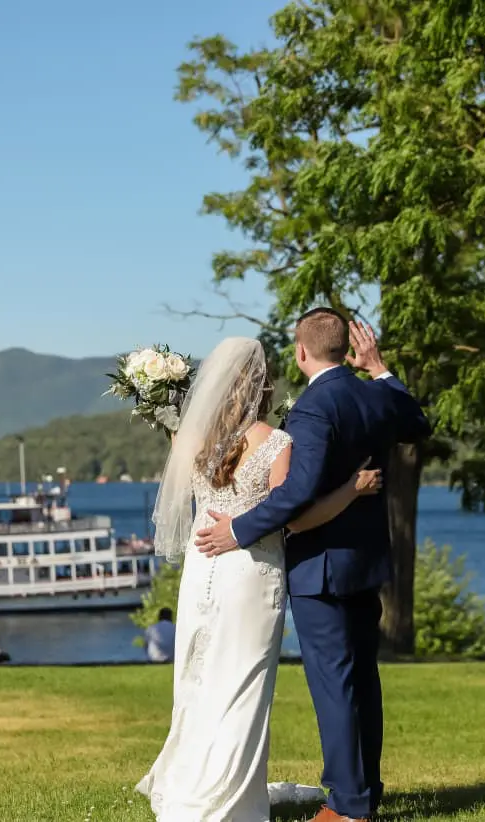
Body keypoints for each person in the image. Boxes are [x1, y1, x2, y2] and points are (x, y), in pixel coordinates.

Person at [136, 333, 402, 822]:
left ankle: (189, 783)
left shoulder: (189, 438)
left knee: (197, 677)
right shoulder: (275, 441)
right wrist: (350, 489)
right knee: (243, 683)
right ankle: (231, 796)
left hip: (202, 567)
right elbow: (294, 518)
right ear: (263, 386)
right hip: (250, 572)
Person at [194, 311, 431, 822]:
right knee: (362, 680)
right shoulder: (374, 394)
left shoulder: (310, 410)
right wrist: (381, 368)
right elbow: (418, 423)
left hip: (321, 566)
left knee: (334, 685)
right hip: (365, 561)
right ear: (348, 350)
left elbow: (298, 493)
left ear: (302, 353)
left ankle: (347, 807)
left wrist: (237, 531)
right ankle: (365, 793)